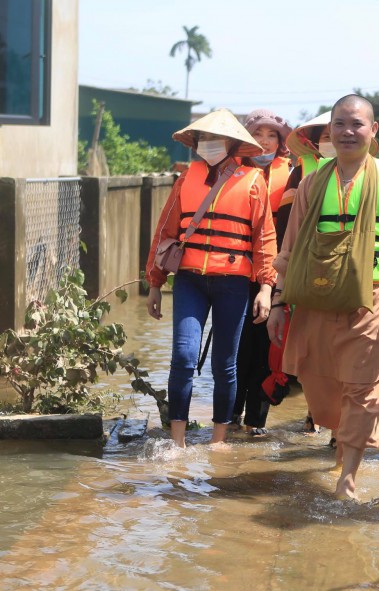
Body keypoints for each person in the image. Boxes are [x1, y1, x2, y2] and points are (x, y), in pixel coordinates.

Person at [267, 94, 379, 500]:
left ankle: (348, 477)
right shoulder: (312, 183)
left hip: (372, 299)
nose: (348, 131)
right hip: (315, 300)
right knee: (319, 383)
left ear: (372, 130)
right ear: (330, 131)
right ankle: (342, 447)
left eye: (357, 124)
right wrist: (278, 302)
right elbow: (290, 248)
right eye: (340, 124)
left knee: (363, 387)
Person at [145, 109, 278, 448]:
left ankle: (218, 442)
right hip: (190, 280)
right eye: (203, 139)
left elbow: (264, 238)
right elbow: (165, 232)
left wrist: (265, 286)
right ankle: (177, 443)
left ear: (233, 144)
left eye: (215, 140)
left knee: (225, 364)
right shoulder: (185, 179)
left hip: (232, 284)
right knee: (183, 357)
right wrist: (155, 283)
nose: (208, 145)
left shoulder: (253, 181)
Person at [283, 112, 379, 437]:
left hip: (357, 284)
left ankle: (342, 439)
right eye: (326, 133)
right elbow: (288, 226)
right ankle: (318, 416)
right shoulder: (304, 177)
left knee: (350, 369)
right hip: (312, 278)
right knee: (315, 360)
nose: (333, 138)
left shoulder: (377, 178)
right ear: (316, 141)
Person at [228, 109, 292, 436]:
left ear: (281, 141)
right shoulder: (233, 172)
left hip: (278, 276)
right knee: (237, 348)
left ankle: (257, 421)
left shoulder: (293, 175)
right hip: (240, 274)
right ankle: (229, 416)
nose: (265, 141)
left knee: (269, 350)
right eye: (259, 135)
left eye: (272, 136)